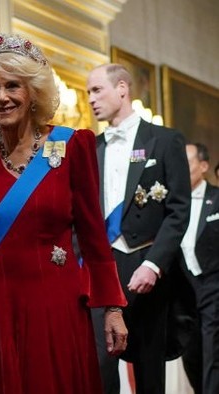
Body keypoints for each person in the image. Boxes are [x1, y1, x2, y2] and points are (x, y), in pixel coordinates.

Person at [0, 33, 128, 394]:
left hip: (56, 308)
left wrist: (112, 307)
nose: (1, 97)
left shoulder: (72, 145)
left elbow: (94, 239)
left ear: (33, 91)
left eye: (12, 85)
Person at [86, 63, 192, 394]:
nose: (90, 99)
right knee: (99, 369)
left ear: (122, 88)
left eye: (96, 90)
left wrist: (154, 264)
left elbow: (178, 211)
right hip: (102, 273)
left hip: (146, 271)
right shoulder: (91, 148)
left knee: (148, 374)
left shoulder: (165, 140)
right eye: (87, 93)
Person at [180, 142, 219, 394]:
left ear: (203, 166)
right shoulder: (173, 202)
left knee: (213, 350)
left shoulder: (216, 198)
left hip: (214, 286)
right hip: (184, 290)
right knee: (190, 353)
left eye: (188, 161)